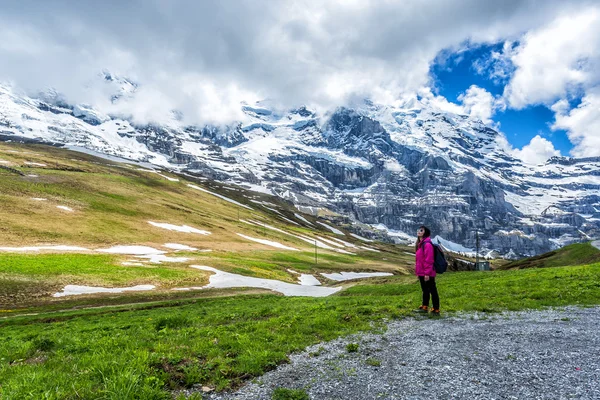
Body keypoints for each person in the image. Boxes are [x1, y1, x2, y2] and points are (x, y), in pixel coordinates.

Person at [414, 225, 440, 315]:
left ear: (425, 233)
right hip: (422, 272)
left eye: (421, 230)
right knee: (425, 289)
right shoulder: (420, 244)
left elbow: (429, 260)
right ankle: (424, 306)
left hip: (427, 272)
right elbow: (419, 260)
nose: (419, 231)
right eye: (418, 230)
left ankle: (436, 308)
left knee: (432, 289)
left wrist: (427, 273)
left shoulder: (427, 244)